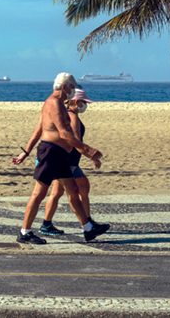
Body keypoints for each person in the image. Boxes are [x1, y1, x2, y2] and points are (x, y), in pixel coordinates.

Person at [11, 73, 109, 244]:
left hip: (60, 155)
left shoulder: (58, 105)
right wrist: (88, 150)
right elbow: (63, 133)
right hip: (50, 152)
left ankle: (88, 229)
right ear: (65, 87)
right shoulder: (54, 103)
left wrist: (25, 153)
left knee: (73, 190)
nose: (73, 91)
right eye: (72, 87)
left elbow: (38, 129)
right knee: (39, 193)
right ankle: (24, 232)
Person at [32, 87, 103, 236]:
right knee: (64, 192)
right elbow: (74, 140)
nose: (85, 105)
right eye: (84, 102)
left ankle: (86, 222)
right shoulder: (73, 117)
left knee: (72, 189)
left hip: (68, 159)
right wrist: (91, 156)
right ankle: (85, 223)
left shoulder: (67, 114)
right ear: (76, 101)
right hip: (68, 160)